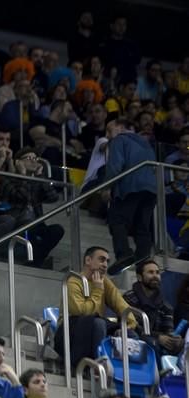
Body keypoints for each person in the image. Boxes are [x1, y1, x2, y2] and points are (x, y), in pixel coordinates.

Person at [54, 246, 138, 369]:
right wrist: (98, 290)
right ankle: (96, 368)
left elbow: (122, 306)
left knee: (131, 334)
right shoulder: (73, 281)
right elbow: (81, 312)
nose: (105, 265)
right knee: (98, 323)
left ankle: (125, 375)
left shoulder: (105, 282)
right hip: (69, 331)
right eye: (101, 259)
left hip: (94, 325)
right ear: (88, 260)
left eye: (107, 261)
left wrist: (128, 325)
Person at [104, 118, 157, 275]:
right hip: (151, 190)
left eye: (110, 129)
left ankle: (123, 254)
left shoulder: (120, 140)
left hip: (130, 186)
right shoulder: (146, 144)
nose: (107, 134)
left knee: (117, 220)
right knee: (142, 227)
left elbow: (115, 165)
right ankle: (143, 261)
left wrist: (107, 187)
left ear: (121, 127)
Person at [123, 259, 183, 357]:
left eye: (157, 273)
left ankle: (172, 371)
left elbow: (168, 329)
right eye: (150, 272)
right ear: (139, 277)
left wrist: (173, 338)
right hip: (133, 339)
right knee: (150, 342)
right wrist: (158, 337)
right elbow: (132, 326)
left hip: (158, 341)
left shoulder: (166, 305)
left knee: (180, 344)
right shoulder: (129, 298)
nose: (155, 276)